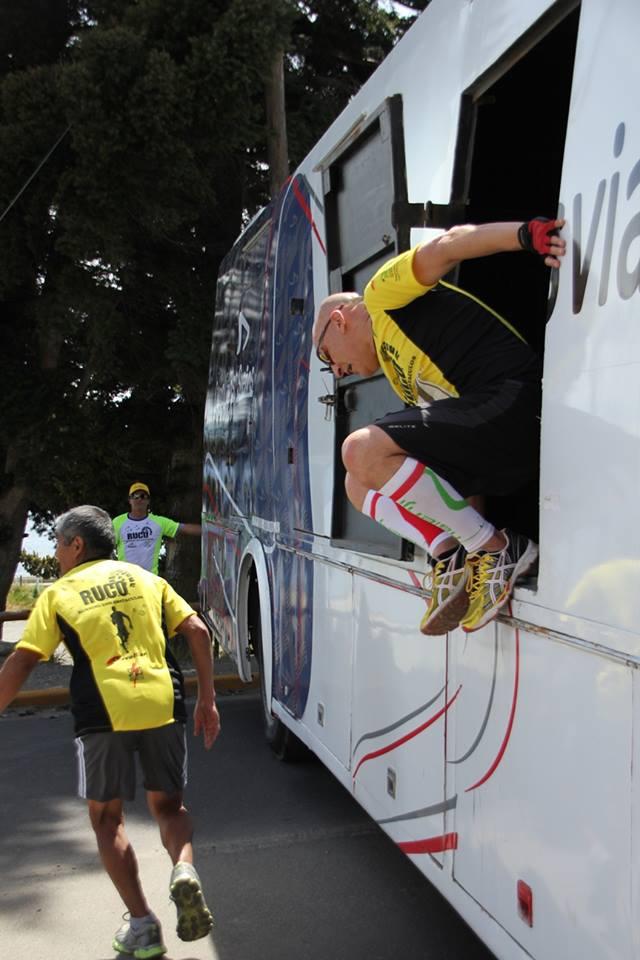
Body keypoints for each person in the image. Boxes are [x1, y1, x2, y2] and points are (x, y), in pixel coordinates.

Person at [313, 217, 566, 636]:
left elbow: (449, 244)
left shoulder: (380, 296)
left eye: (327, 356)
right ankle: (453, 556)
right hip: (493, 434)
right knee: (357, 484)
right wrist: (470, 535)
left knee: (360, 449)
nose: (337, 371)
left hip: (515, 401)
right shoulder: (400, 373)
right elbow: (456, 462)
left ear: (339, 320)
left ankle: (496, 549)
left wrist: (524, 234)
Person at [0, 505, 220, 958]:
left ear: (77, 545)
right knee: (170, 807)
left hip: (103, 711)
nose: (56, 554)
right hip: (163, 701)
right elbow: (198, 630)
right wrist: (207, 699)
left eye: (58, 545)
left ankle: (143, 925)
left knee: (106, 820)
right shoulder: (147, 580)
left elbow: (23, 661)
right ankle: (183, 869)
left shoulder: (60, 593)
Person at [113, 482, 201, 574]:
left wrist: (210, 529)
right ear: (129, 500)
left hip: (150, 579)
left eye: (143, 496)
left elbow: (184, 528)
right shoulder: (117, 522)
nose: (139, 499)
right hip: (125, 578)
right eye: (135, 496)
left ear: (148, 500)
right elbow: (107, 547)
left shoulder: (159, 522)